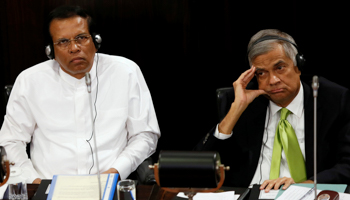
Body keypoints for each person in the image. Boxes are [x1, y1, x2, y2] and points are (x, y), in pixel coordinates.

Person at [0, 5, 160, 184]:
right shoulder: (30, 81)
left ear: (96, 41)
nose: (74, 48)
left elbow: (145, 134)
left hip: (110, 184)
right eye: (63, 42)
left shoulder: (125, 72)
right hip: (47, 186)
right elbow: (11, 141)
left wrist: (116, 172)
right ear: (50, 51)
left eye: (81, 38)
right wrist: (34, 181)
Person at [195, 29, 350, 191]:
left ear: (299, 65)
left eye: (280, 68)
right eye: (262, 73)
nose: (273, 80)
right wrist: (236, 110)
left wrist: (308, 185)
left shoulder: (333, 99)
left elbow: (347, 164)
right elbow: (199, 168)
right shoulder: (241, 103)